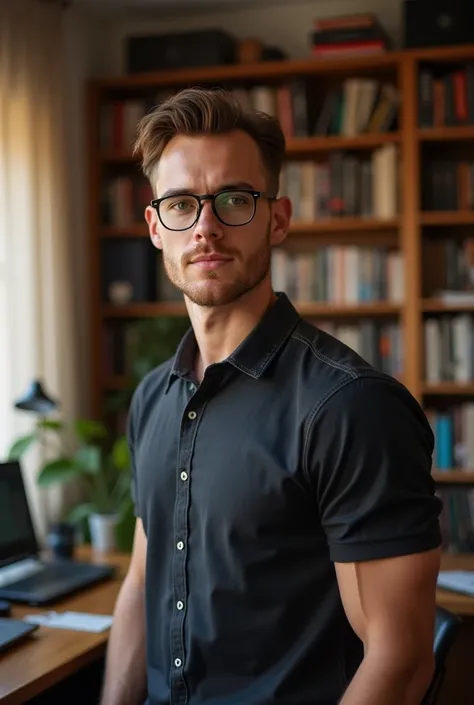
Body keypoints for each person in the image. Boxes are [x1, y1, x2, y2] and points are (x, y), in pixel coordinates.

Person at [100, 87, 442, 705]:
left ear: (278, 218)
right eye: (180, 204)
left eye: (234, 200)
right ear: (155, 227)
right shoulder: (153, 397)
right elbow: (140, 582)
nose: (205, 228)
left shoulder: (351, 408)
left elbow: (401, 659)